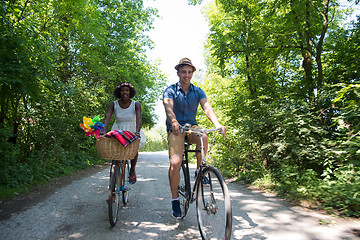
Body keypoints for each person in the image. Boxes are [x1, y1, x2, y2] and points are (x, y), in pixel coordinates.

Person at [163, 58, 226, 219]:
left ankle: (200, 171)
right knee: (176, 162)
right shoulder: (170, 90)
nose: (186, 75)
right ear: (178, 73)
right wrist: (174, 121)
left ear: (192, 73)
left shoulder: (198, 91)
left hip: (191, 127)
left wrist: (218, 124)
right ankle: (175, 199)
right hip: (176, 129)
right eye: (183, 72)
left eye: (189, 72)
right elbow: (168, 108)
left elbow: (207, 107)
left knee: (202, 135)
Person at [104, 82, 146, 184]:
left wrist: (137, 132)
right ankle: (112, 187)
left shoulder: (136, 104)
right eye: (122, 90)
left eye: (127, 90)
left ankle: (132, 170)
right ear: (119, 92)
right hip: (118, 129)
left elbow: (139, 119)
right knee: (115, 154)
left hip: (132, 129)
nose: (125, 92)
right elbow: (107, 118)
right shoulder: (113, 104)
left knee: (134, 149)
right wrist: (102, 131)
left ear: (130, 92)